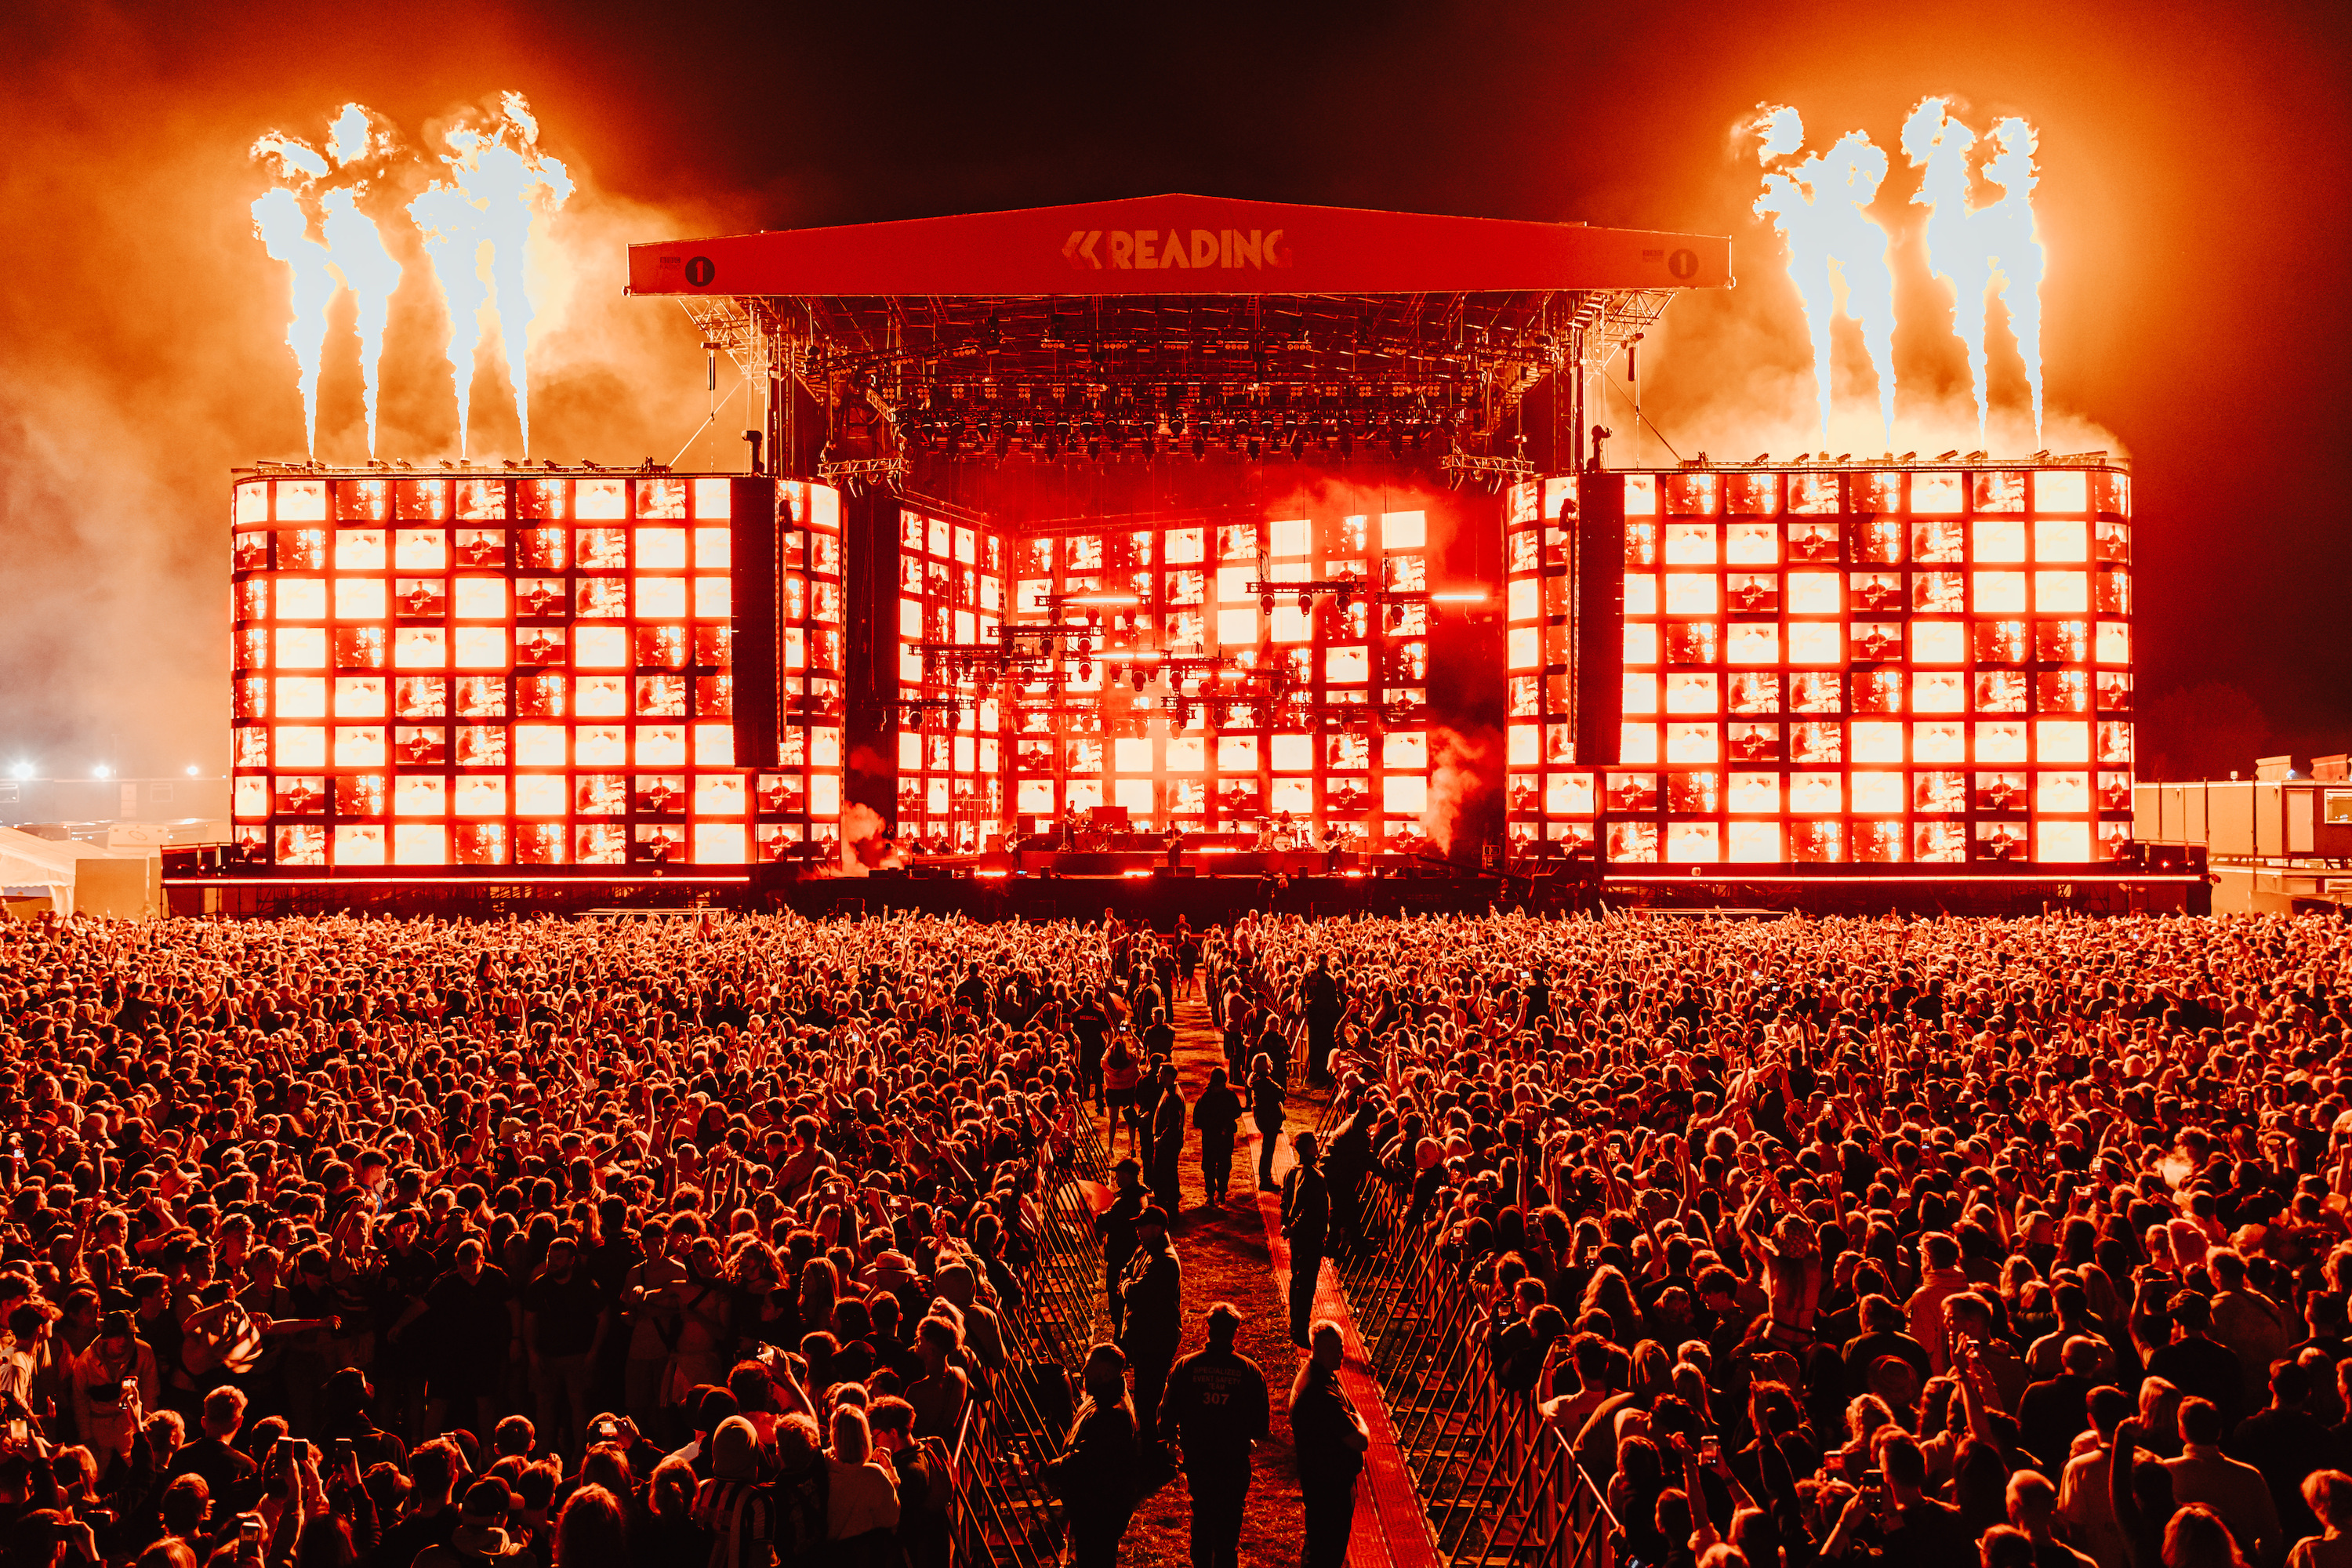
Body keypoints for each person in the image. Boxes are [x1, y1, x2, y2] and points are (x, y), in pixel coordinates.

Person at [1158, 1301, 1269, 1568]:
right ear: (1235, 1332)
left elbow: (1166, 1411)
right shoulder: (1250, 1370)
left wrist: (1172, 1438)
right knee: (1229, 1526)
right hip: (1234, 1462)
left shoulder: (1185, 1366)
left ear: (1207, 1329)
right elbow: (1261, 1425)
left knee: (1202, 1517)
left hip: (1199, 1459)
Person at [1044, 1343, 1139, 1568]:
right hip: (1095, 1506)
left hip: (1100, 1512)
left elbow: (1088, 1460)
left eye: (1089, 1365)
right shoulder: (1103, 1396)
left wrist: (1055, 1467)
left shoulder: (1112, 1414)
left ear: (1105, 1373)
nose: (1083, 1370)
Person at [1288, 1319, 1367, 1568]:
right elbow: (1360, 1440)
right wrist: (1361, 1422)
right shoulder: (1321, 1393)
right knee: (1327, 1552)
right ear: (1317, 1349)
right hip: (1329, 1487)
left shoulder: (1316, 1376)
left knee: (1318, 1546)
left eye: (1341, 1348)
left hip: (1320, 1480)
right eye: (1333, 1349)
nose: (1340, 1354)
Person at [1118, 1207, 1182, 1462]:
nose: (1137, 1230)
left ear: (1157, 1229)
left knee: (1150, 1396)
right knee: (1144, 1393)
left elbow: (1136, 1292)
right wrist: (1128, 1283)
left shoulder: (1165, 1261)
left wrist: (1126, 1286)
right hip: (1144, 1336)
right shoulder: (1145, 1250)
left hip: (1157, 1338)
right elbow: (1126, 1272)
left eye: (1142, 1225)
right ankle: (1149, 1445)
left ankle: (1154, 1450)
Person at [1282, 1132, 1330, 1349]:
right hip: (1310, 1236)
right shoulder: (1316, 1177)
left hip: (1296, 1236)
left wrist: (1287, 1224)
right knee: (1307, 1283)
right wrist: (1295, 1225)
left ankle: (1295, 1323)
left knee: (1296, 1279)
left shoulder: (1291, 1171)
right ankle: (1301, 1329)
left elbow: (1285, 1202)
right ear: (1311, 1148)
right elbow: (1310, 1210)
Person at [1192, 1068, 1243, 1207]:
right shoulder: (1227, 1096)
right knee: (1220, 1165)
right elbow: (1237, 1112)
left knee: (1214, 1165)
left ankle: (1214, 1193)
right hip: (1221, 1136)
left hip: (1212, 1136)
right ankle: (1217, 1193)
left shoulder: (1206, 1097)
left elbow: (1197, 1120)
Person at [1149, 1063, 1187, 1216]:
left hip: (1168, 1144)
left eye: (1161, 1074)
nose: (1158, 1076)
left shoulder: (1173, 1097)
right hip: (1169, 1142)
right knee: (1169, 1173)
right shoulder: (1170, 1092)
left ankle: (1168, 1208)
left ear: (1169, 1076)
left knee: (1166, 1174)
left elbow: (1173, 1125)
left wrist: (1160, 1139)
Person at [1248, 1054, 1286, 1193]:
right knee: (1268, 1151)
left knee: (1267, 1149)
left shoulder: (1255, 1080)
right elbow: (1281, 1093)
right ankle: (1265, 1179)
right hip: (1269, 1119)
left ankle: (1266, 1177)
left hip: (1265, 1118)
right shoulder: (1265, 1082)